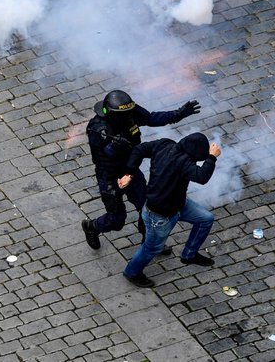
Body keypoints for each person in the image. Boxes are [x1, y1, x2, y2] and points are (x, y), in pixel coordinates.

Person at [81, 90, 201, 253]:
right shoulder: (98, 128)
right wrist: (115, 146)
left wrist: (177, 114)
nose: (129, 116)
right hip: (109, 176)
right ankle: (92, 227)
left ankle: (149, 244)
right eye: (123, 114)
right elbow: (104, 152)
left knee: (148, 208)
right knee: (117, 220)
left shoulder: (129, 112)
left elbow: (151, 118)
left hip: (130, 170)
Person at [122, 133, 221, 288]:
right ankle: (132, 272)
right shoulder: (183, 162)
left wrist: (129, 173)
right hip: (160, 215)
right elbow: (202, 177)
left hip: (178, 205)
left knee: (205, 219)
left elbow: (139, 150)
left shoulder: (163, 144)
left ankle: (189, 255)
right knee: (150, 249)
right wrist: (212, 158)